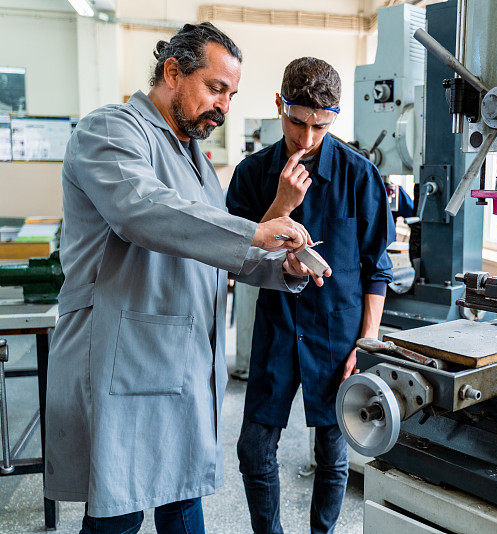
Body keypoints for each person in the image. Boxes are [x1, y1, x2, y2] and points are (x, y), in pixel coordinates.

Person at [44, 23, 329, 534]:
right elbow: (142, 212)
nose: (224, 106)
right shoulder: (111, 131)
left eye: (232, 95)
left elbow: (217, 249)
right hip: (123, 357)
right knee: (119, 514)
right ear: (173, 72)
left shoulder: (196, 160)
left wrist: (281, 266)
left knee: (181, 501)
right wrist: (257, 231)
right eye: (216, 88)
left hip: (182, 362)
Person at [226, 57, 395, 534]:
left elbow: (376, 267)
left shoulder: (360, 176)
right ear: (279, 105)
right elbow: (234, 256)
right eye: (296, 122)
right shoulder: (252, 175)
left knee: (332, 451)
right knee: (254, 447)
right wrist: (281, 205)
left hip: (337, 333)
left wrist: (366, 341)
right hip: (277, 327)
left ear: (335, 117)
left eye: (321, 125)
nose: (306, 138)